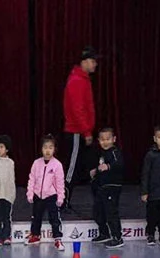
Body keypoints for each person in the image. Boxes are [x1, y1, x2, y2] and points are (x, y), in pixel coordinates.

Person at [63, 46, 98, 209]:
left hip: (81, 131)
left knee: (82, 166)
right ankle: (62, 200)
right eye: (92, 61)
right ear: (84, 62)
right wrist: (86, 131)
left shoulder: (82, 79)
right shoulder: (77, 81)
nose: (94, 65)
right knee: (72, 167)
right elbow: (78, 109)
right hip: (76, 131)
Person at [26, 135, 65, 250]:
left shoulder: (57, 165)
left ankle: (58, 239)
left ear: (54, 149)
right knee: (36, 217)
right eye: (45, 147)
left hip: (51, 196)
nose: (48, 150)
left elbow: (60, 183)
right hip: (38, 196)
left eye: (50, 147)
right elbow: (31, 179)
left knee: (54, 218)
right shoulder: (36, 163)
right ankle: (35, 235)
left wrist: (60, 197)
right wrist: (30, 193)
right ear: (41, 149)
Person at [90, 126, 124, 249]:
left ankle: (117, 237)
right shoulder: (101, 153)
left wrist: (108, 167)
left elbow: (119, 164)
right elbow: (101, 168)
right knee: (99, 211)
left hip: (112, 187)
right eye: (102, 139)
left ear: (114, 139)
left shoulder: (115, 152)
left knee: (111, 212)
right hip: (102, 187)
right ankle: (104, 233)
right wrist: (96, 171)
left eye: (108, 139)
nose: (105, 142)